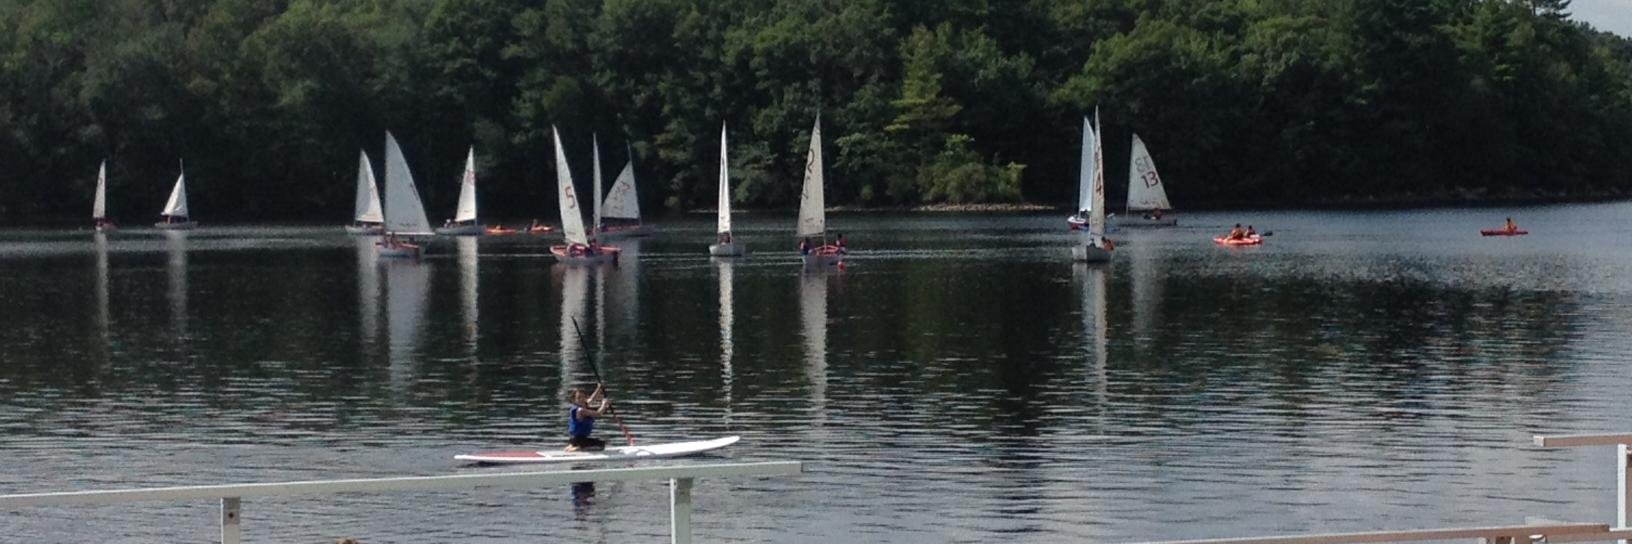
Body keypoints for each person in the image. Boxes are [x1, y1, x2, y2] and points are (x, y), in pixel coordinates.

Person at [565, 384, 610, 452]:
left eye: (583, 397)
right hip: (579, 439)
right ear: (574, 400)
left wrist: (599, 388)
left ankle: (572, 445)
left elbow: (592, 399)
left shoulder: (583, 405)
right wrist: (604, 404)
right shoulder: (580, 410)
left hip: (576, 439)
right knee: (601, 445)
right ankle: (577, 448)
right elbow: (598, 414)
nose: (582, 399)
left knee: (597, 442)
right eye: (579, 398)